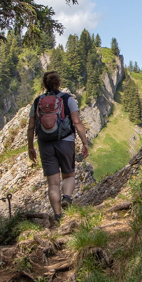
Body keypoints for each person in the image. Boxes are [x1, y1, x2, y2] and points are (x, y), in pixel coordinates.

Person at [26, 71, 90, 223]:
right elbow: (76, 122)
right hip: (66, 141)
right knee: (69, 175)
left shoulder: (37, 101)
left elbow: (31, 127)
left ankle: (57, 216)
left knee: (53, 183)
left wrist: (30, 147)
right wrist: (84, 142)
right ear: (59, 83)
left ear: (44, 84)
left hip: (45, 144)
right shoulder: (67, 99)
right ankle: (67, 197)